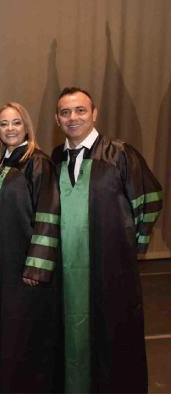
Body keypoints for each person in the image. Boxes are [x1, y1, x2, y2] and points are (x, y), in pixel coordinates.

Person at [51, 87, 162, 393]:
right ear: (56, 119)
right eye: (65, 112)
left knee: (112, 337)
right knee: (71, 334)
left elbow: (150, 199)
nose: (73, 118)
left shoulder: (120, 153)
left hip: (110, 270)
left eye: (80, 110)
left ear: (95, 113)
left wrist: (133, 248)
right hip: (67, 270)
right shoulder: (56, 157)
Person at [0, 102, 61, 392]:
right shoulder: (0, 163)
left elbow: (48, 213)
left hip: (25, 263)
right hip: (1, 261)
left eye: (16, 122)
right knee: (6, 329)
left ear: (26, 126)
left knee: (24, 331)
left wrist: (37, 264)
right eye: (4, 124)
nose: (10, 129)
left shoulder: (37, 162)